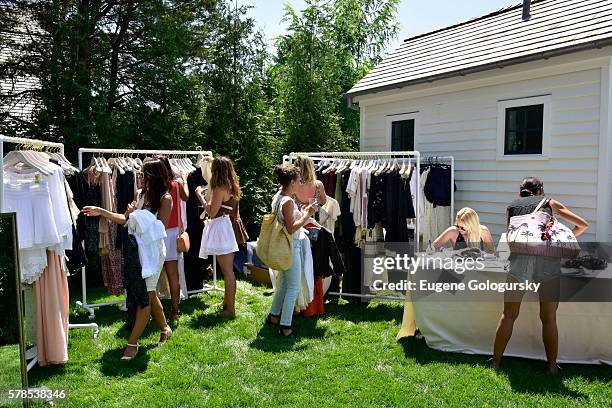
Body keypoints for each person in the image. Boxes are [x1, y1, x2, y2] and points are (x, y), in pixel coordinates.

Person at [490, 177, 588, 374]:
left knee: (508, 314)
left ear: (521, 191)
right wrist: (561, 239)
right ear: (541, 189)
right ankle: (552, 367)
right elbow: (582, 225)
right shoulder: (549, 203)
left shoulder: (511, 207)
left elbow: (510, 239)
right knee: (549, 317)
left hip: (519, 261)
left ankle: (496, 363)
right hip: (547, 260)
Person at [82, 158, 173, 360]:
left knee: (144, 297)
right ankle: (165, 329)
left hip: (152, 252)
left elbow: (159, 229)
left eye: (143, 174)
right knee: (148, 293)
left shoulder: (165, 198)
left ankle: (132, 344)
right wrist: (101, 211)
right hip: (135, 251)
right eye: (140, 174)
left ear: (154, 177)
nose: (139, 177)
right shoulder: (139, 194)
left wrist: (137, 217)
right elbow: (124, 219)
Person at [266, 164, 318, 338]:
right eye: (298, 181)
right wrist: (307, 214)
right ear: (292, 182)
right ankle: (285, 327)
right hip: (290, 247)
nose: (300, 183)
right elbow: (291, 228)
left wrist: (301, 213)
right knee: (293, 287)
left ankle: (274, 316)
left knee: (284, 285)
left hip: (285, 246)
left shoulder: (279, 196)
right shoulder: (287, 201)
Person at [196, 156, 246, 318]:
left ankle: (230, 310)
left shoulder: (219, 188)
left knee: (227, 271)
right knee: (228, 270)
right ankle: (226, 302)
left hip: (223, 229)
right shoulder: (232, 185)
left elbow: (211, 212)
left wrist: (199, 196)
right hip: (229, 227)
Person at [158, 156, 189, 323]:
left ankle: (154, 311)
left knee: (154, 275)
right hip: (173, 232)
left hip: (159, 232)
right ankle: (175, 310)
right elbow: (186, 197)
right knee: (173, 274)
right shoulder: (175, 184)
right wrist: (184, 180)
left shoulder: (155, 187)